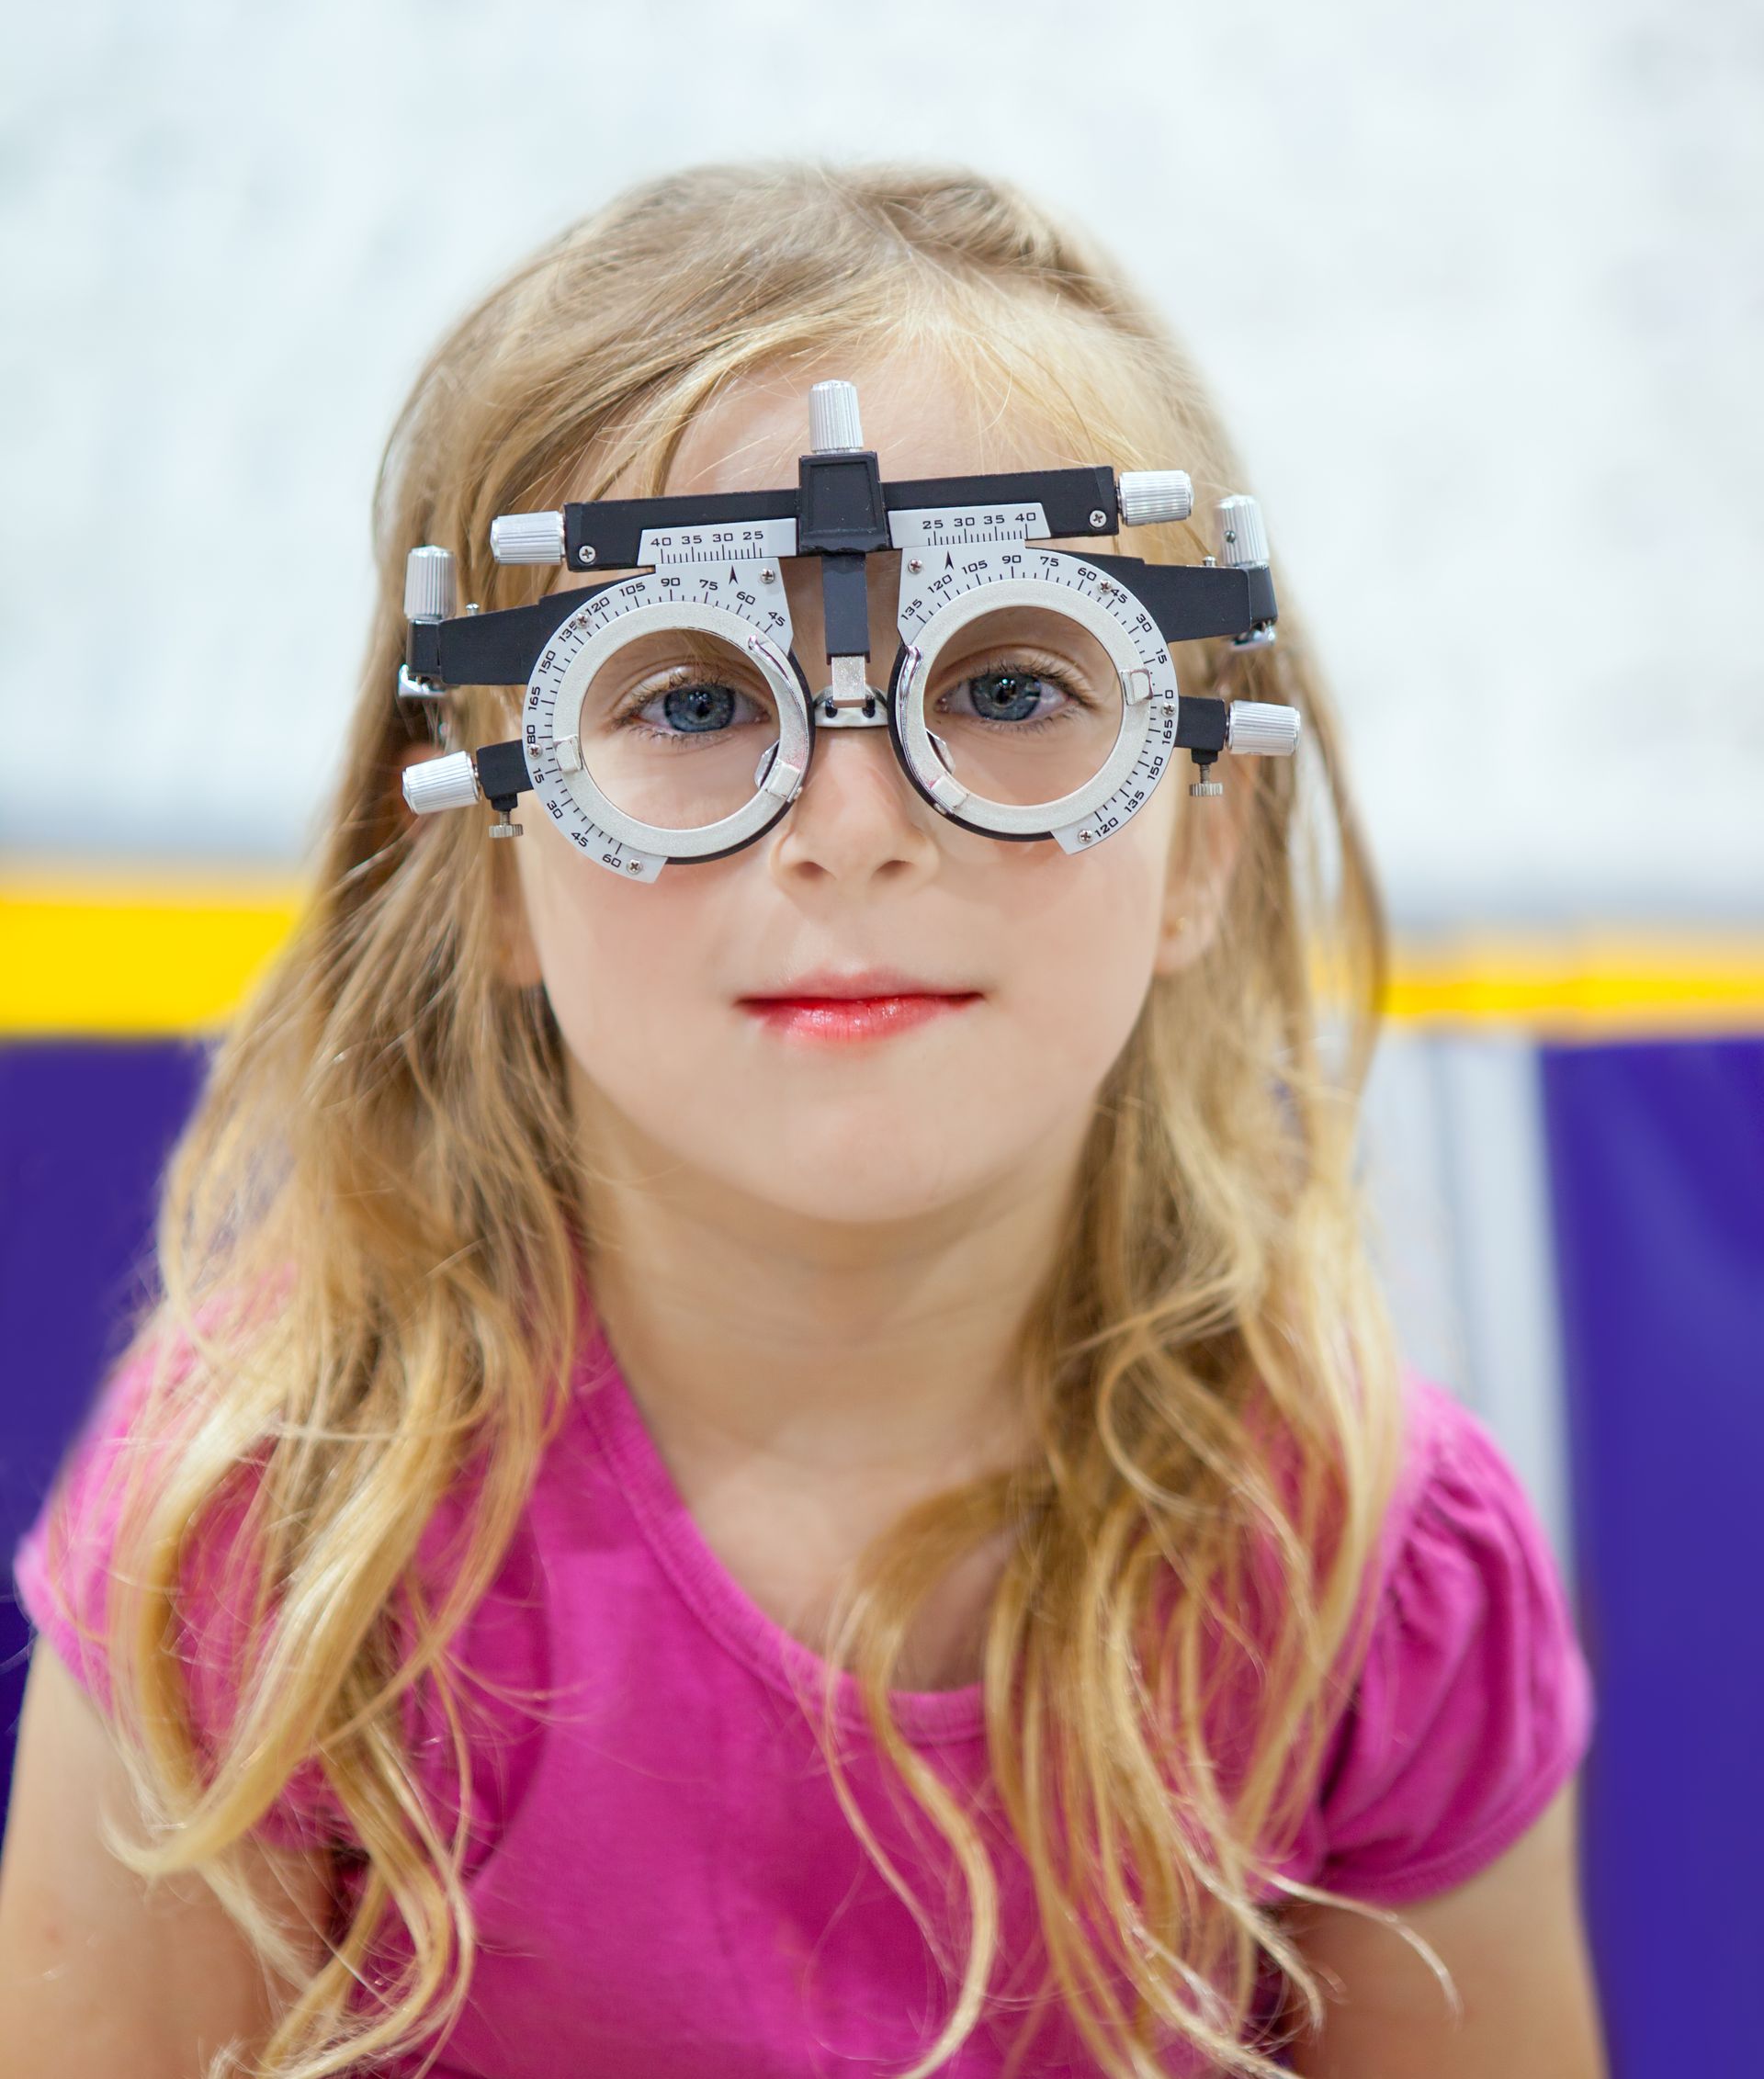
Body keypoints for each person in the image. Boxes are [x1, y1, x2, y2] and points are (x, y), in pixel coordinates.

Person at [0, 161, 1605, 2079]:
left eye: (1009, 679)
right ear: (497, 869)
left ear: (1200, 846)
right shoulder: (277, 1532)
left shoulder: (1372, 1570)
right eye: (689, 703)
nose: (853, 819)